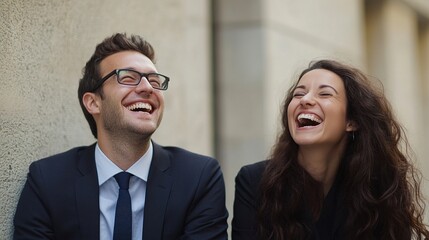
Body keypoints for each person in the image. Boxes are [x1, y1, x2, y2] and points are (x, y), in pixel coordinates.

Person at [14, 33, 228, 240]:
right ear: (93, 102)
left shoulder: (198, 178)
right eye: (128, 77)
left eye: (154, 81)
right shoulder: (48, 181)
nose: (147, 88)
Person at [232, 59, 429, 239]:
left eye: (325, 93)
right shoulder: (254, 182)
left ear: (351, 121)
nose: (305, 100)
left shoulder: (378, 188)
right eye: (298, 94)